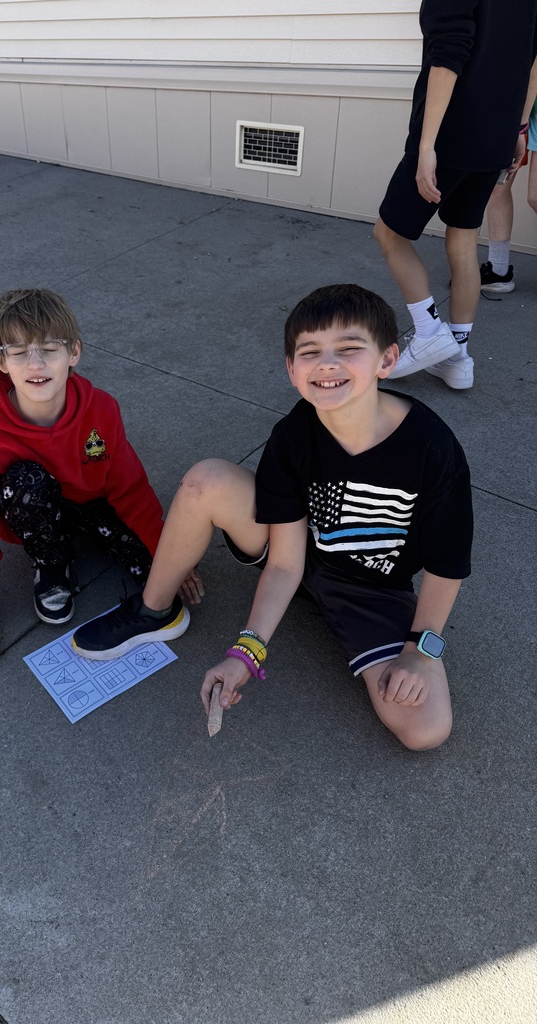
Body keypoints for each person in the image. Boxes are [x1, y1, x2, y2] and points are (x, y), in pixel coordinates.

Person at [72, 284, 473, 751]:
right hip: (299, 550)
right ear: (291, 369)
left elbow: (447, 566)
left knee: (425, 729)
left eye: (348, 349)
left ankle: (367, 631)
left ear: (387, 360)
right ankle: (154, 608)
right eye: (310, 352)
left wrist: (420, 652)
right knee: (208, 480)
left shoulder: (432, 447)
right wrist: (246, 652)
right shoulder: (294, 434)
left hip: (373, 589)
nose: (328, 363)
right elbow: (285, 562)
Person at [0, 288, 199, 668]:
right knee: (26, 481)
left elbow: (130, 489)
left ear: (74, 353)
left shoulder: (101, 410)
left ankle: (133, 554)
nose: (35, 364)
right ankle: (52, 562)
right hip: (36, 512)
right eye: (19, 352)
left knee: (159, 578)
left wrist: (170, 556)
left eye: (49, 348)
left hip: (93, 506)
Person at [374, 0, 537, 390]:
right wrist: (518, 129)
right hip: (495, 137)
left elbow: (447, 56)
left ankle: (431, 333)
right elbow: (533, 61)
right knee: (463, 241)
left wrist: (427, 144)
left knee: (389, 233)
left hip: (450, 134)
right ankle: (458, 357)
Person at [479, 94, 537, 294]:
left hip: (521, 113)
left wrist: (519, 126)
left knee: (535, 197)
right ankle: (498, 270)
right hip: (516, 106)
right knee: (498, 184)